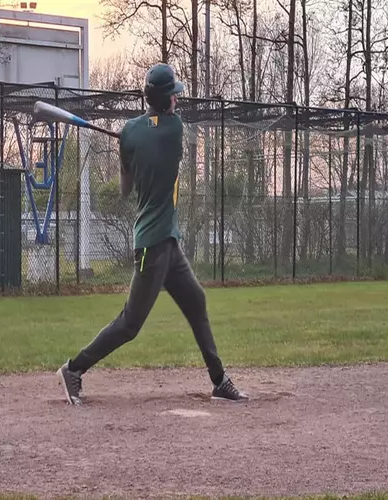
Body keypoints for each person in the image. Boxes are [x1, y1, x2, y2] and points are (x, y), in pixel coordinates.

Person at [56, 63, 248, 405]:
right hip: (151, 246)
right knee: (130, 324)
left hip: (166, 242)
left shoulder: (131, 132)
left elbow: (125, 188)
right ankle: (74, 369)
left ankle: (219, 380)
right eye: (174, 95)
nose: (178, 101)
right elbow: (156, 131)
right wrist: (134, 141)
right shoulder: (174, 129)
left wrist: (127, 149)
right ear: (164, 100)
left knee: (196, 301)